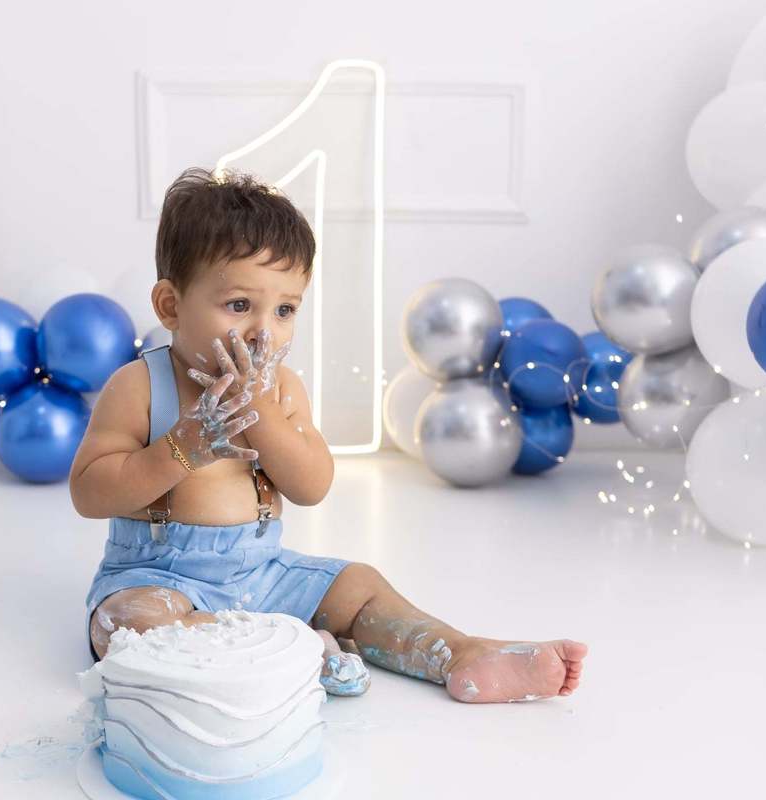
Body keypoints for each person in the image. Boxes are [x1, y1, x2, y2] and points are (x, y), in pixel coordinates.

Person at [69, 167, 587, 701]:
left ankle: (459, 652)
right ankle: (289, 649)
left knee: (359, 588)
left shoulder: (283, 390)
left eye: (286, 309)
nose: (263, 330)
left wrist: (264, 417)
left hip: (262, 576)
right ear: (171, 306)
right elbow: (89, 491)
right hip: (159, 578)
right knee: (127, 626)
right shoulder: (139, 387)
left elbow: (311, 486)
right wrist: (182, 449)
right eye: (240, 305)